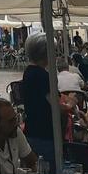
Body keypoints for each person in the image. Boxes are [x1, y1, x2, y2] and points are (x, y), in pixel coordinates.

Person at [20, 34, 72, 162]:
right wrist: (71, 104)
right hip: (45, 132)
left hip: (32, 129)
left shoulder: (29, 72)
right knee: (49, 169)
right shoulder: (43, 76)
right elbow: (56, 106)